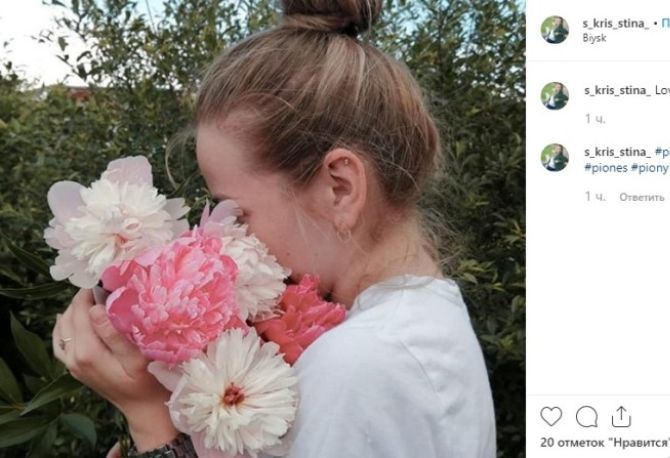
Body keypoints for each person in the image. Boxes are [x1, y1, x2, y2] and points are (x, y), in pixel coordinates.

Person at [51, 0, 497, 457]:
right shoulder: (418, 326)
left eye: (239, 214)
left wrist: (151, 421)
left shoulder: (360, 364)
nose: (231, 240)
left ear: (340, 188)